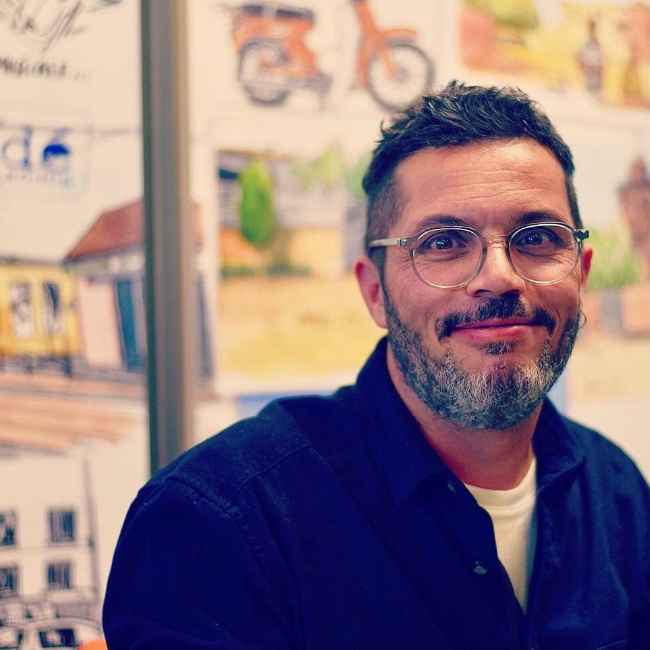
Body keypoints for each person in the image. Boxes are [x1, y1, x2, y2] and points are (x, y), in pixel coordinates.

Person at [103, 81, 650, 649]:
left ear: (581, 274)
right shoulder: (221, 522)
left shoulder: (618, 494)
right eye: (443, 242)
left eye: (536, 237)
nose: (499, 276)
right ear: (374, 292)